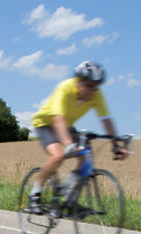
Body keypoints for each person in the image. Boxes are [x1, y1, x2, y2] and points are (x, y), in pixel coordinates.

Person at [29, 61, 129, 214]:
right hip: (45, 123)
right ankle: (34, 195)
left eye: (96, 86)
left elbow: (106, 120)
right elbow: (58, 119)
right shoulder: (65, 88)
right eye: (89, 85)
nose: (92, 90)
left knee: (85, 157)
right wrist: (68, 143)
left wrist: (115, 144)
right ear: (78, 81)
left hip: (66, 125)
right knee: (57, 156)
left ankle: (70, 200)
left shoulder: (96, 95)